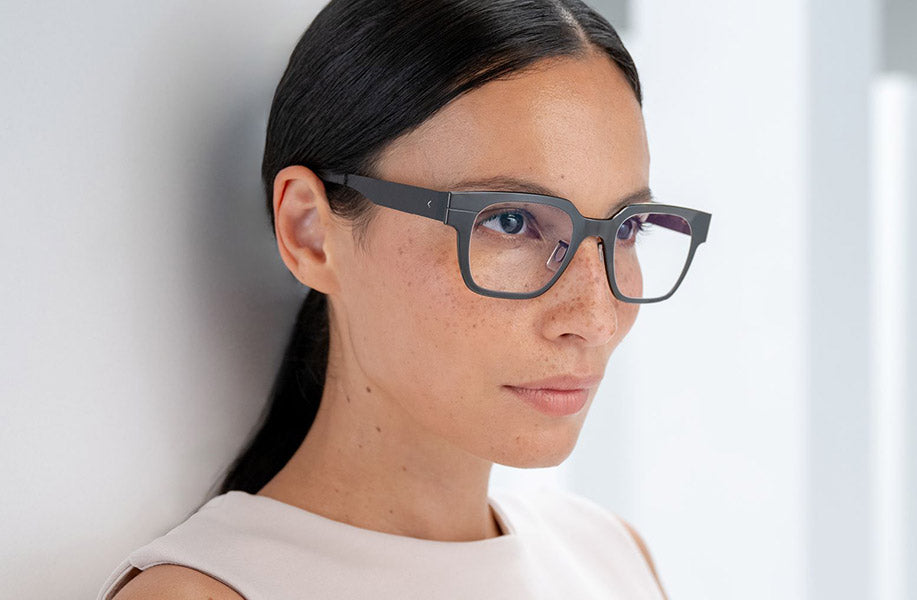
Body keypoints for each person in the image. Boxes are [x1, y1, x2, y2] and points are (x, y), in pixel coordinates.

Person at [98, 0, 709, 598]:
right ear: (310, 232)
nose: (597, 318)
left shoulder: (609, 556)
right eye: (512, 222)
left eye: (627, 228)